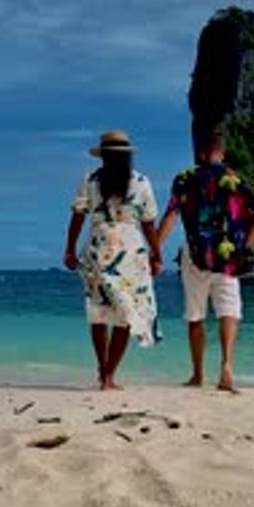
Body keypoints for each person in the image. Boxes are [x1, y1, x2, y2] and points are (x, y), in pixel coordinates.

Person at [157, 128, 254, 391]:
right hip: (228, 257)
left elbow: (171, 215)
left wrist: (154, 248)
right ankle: (227, 365)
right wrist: (245, 250)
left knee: (196, 315)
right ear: (222, 152)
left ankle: (197, 375)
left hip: (195, 255)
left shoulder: (185, 178)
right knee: (229, 311)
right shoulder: (236, 180)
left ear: (201, 153)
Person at [63, 130, 162, 390]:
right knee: (125, 313)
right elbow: (149, 224)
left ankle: (102, 371)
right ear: (128, 156)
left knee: (98, 311)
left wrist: (70, 249)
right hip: (130, 249)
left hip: (98, 245)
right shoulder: (141, 182)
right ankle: (109, 375)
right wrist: (157, 254)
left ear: (103, 156)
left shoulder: (90, 180)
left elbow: (77, 216)